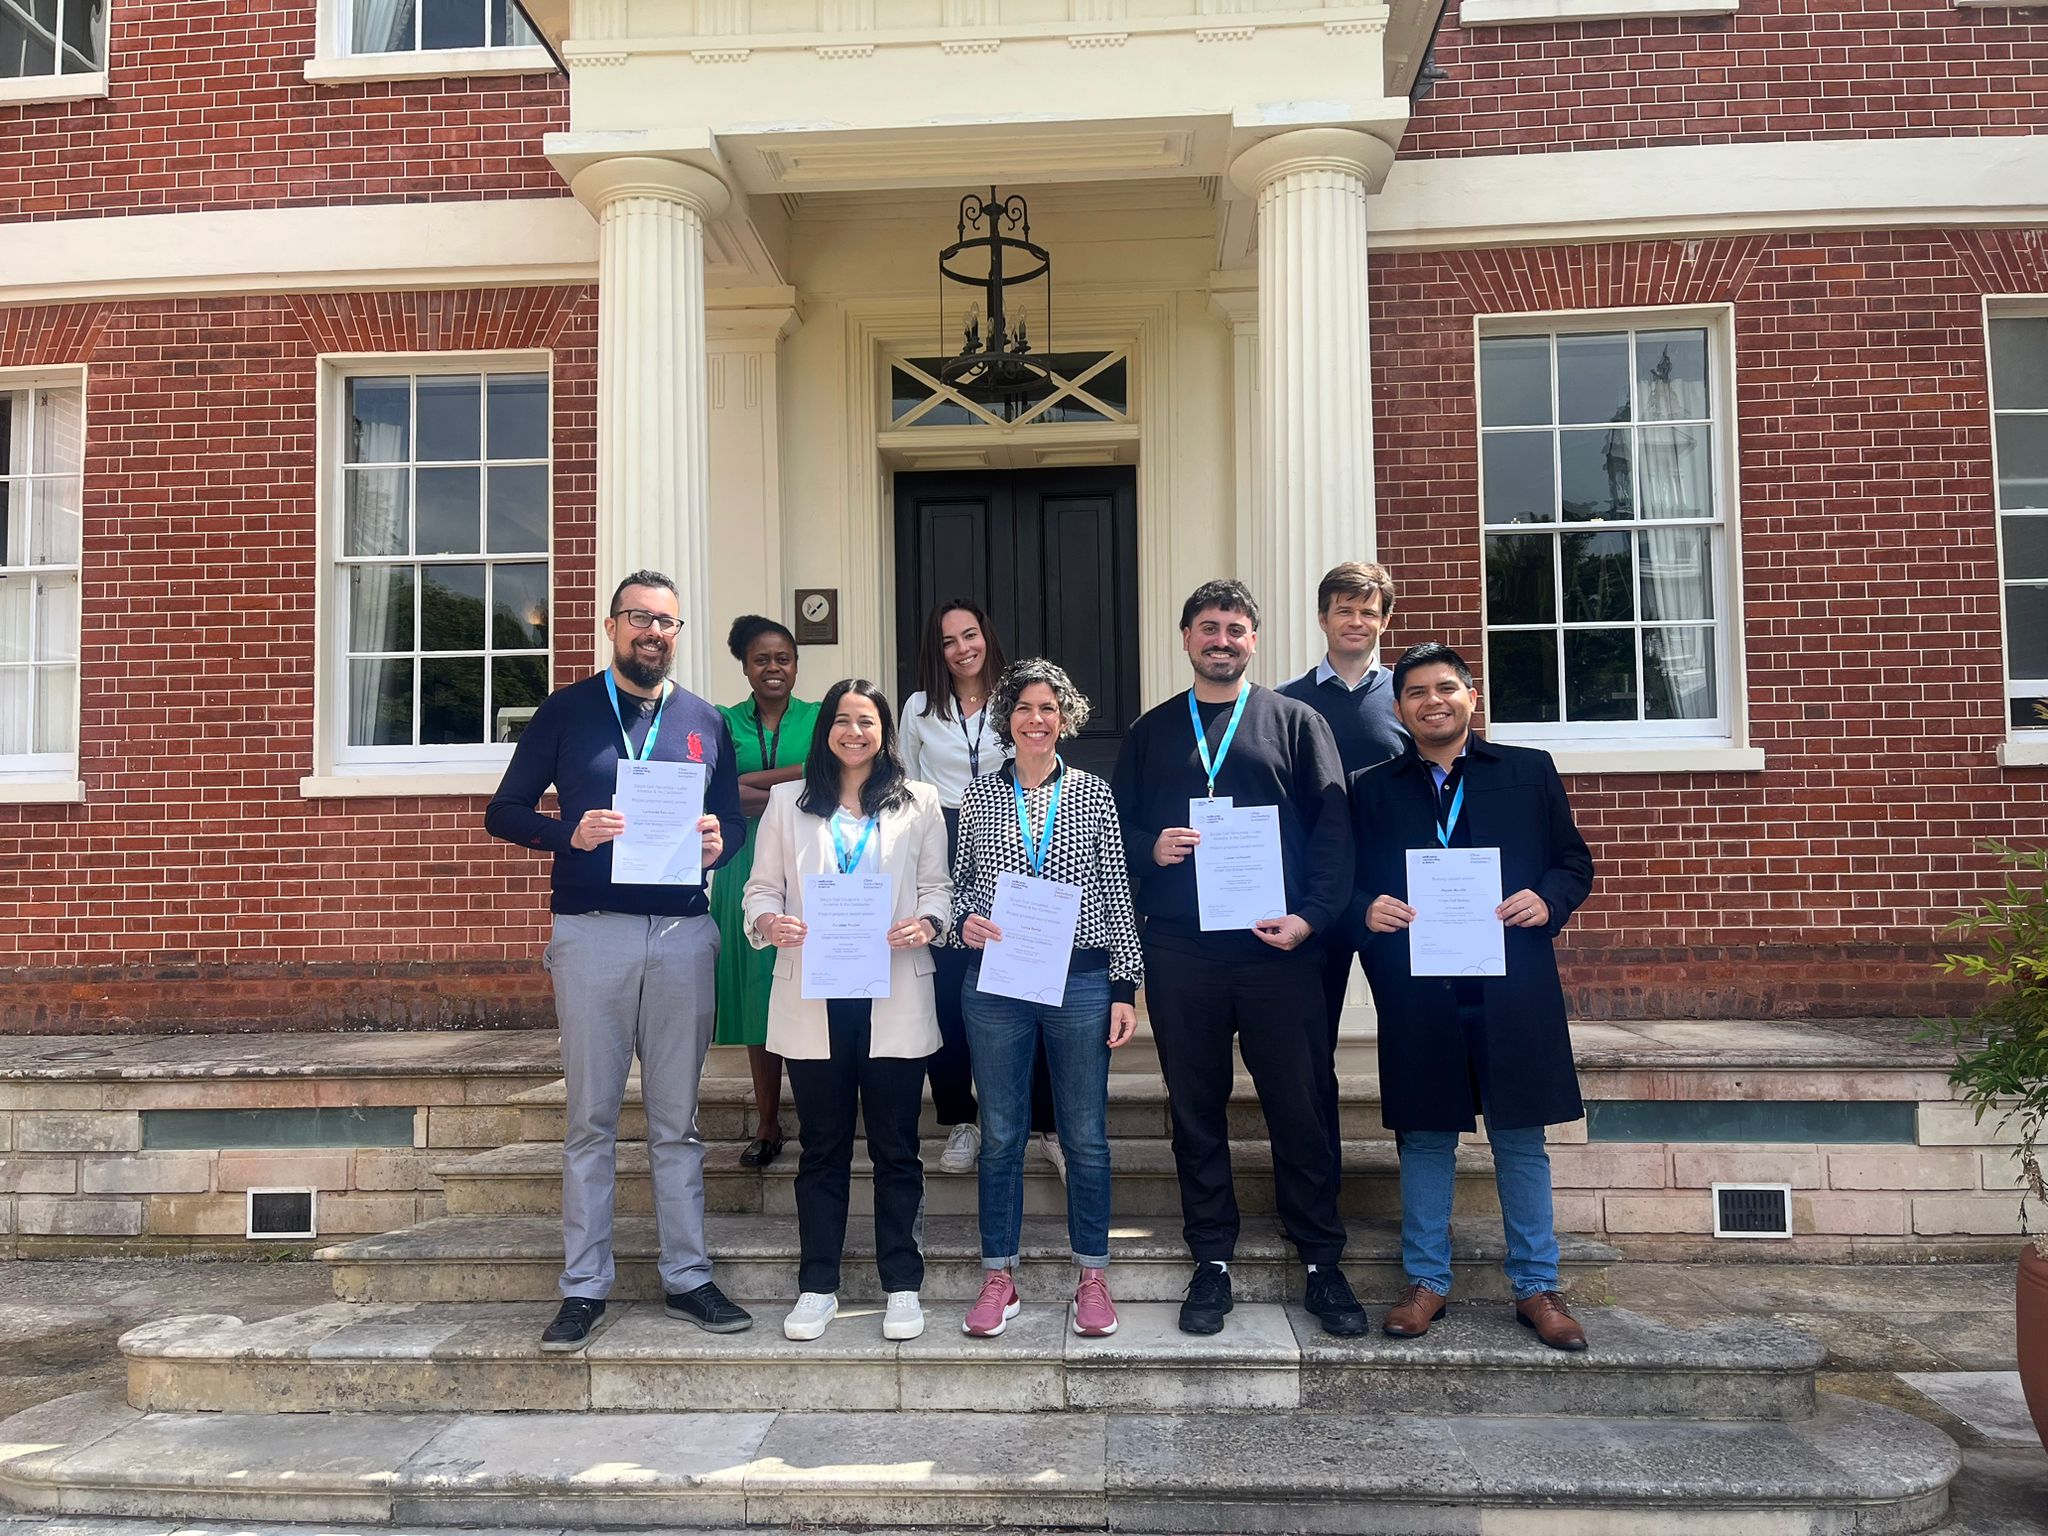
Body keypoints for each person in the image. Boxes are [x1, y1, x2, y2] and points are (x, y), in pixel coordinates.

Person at [485, 569, 754, 1351]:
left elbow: (731, 820)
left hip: (681, 937)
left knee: (678, 1123)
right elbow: (503, 811)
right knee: (591, 1120)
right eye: (638, 618)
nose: (652, 633)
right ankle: (583, 1288)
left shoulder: (704, 720)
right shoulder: (567, 712)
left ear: (677, 633)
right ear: (611, 627)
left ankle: (689, 1279)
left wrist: (719, 844)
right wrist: (566, 833)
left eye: (666, 622)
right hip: (593, 931)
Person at [1109, 578, 1367, 1339]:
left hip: (1276, 949)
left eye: (1236, 629)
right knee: (1195, 1108)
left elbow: (1332, 832)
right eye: (1208, 628)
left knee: (1300, 1103)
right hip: (1182, 948)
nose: (1222, 640)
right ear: (1185, 638)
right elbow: (1109, 836)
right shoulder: (1152, 732)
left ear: (1254, 640)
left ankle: (1322, 1258)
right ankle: (1211, 1258)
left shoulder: (1296, 722)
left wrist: (1312, 919)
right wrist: (1148, 848)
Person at [1351, 642, 1596, 1352]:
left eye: (1446, 688)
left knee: (1521, 1139)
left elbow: (1573, 862)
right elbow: (1347, 880)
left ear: (1470, 697)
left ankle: (1537, 1288)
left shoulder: (1526, 772)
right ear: (1399, 709)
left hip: (1512, 983)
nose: (1433, 701)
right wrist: (1368, 908)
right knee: (1425, 1138)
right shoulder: (1374, 787)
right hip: (1419, 990)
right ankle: (1427, 1282)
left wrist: (1546, 899)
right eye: (1418, 692)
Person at [744, 678, 952, 1344]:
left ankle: (902, 1286)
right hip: (816, 993)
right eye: (842, 719)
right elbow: (759, 890)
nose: (853, 731)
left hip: (892, 992)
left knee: (898, 1150)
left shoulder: (920, 801)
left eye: (866, 720)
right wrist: (769, 921)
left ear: (884, 731)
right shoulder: (786, 802)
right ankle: (818, 1286)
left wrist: (928, 922)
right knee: (823, 1150)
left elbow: (937, 889)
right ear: (826, 730)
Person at [953, 658, 1143, 1339]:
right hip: (997, 984)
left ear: (1066, 717)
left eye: (1049, 707)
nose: (1037, 718)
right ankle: (999, 1277)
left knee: (1085, 1137)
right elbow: (960, 886)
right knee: (1000, 1135)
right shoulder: (978, 797)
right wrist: (964, 920)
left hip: (1082, 981)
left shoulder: (1093, 793)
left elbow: (1119, 893)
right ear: (1007, 718)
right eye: (1025, 707)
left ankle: (1092, 1277)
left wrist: (1126, 985)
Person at [899, 599, 1058, 1178]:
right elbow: (907, 785)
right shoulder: (918, 708)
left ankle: (1047, 1124)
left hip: (1013, 840)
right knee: (945, 990)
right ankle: (961, 1120)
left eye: (971, 635)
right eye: (949, 640)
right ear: (935, 651)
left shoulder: (1016, 698)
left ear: (987, 637)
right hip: (941, 839)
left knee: (1027, 983)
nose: (963, 648)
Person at [1276, 561, 1409, 1185]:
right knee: (1308, 1054)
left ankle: (1420, 1179)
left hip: (1394, 901)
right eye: (1344, 610)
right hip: (1317, 901)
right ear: (1323, 617)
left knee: (1414, 1041)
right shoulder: (1286, 703)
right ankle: (1318, 1186)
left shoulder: (1408, 698)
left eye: (1368, 611)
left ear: (1383, 621)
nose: (1356, 621)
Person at [711, 615, 820, 1169]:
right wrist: (793, 781)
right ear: (746, 666)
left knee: (811, 983)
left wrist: (757, 786)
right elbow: (719, 794)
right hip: (743, 862)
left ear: (796, 664)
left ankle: (824, 1115)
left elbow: (827, 775)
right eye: (762, 659)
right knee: (759, 992)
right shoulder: (722, 722)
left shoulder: (822, 716)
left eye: (784, 658)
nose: (774, 667)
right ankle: (769, 1121)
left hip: (810, 861)